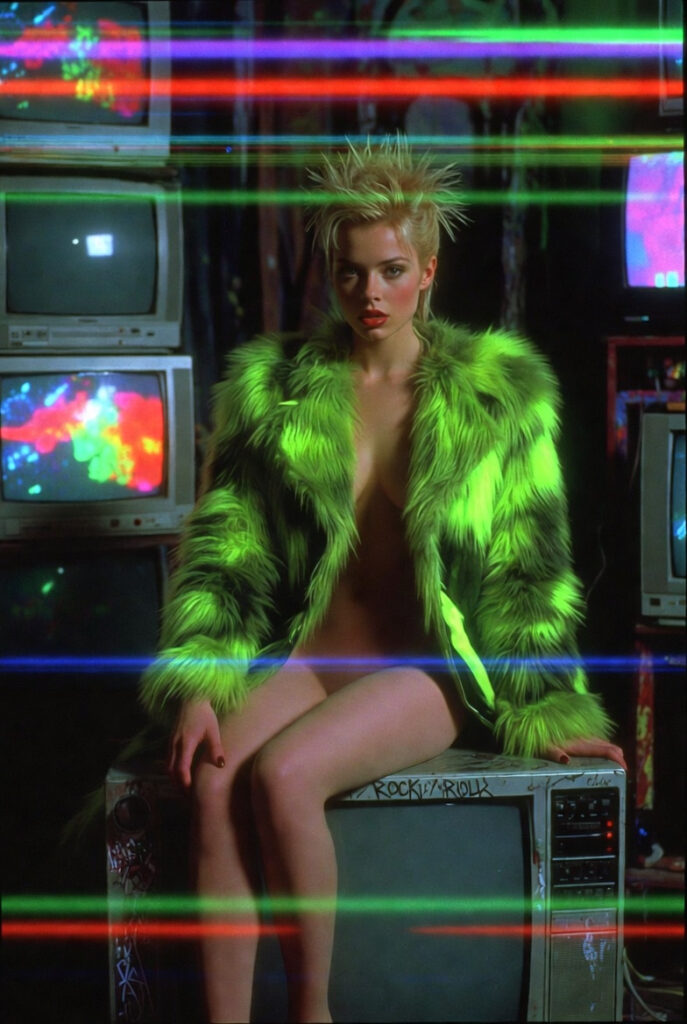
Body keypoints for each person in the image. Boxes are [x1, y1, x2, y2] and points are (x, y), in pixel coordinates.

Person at [139, 137, 626, 1023]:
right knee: (213, 780)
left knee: (284, 776)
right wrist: (201, 680)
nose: (370, 293)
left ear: (427, 272)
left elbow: (529, 566)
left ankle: (312, 1012)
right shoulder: (275, 388)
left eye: (391, 271)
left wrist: (547, 710)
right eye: (351, 273)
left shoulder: (496, 396)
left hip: (421, 671)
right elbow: (226, 546)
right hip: (309, 656)